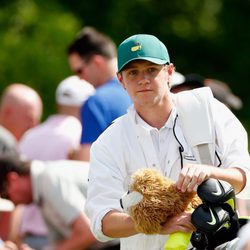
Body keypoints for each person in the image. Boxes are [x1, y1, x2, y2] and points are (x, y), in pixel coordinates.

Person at [85, 34, 250, 250]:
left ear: (169, 72)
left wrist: (210, 173)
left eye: (152, 70)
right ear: (121, 80)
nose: (143, 79)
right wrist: (156, 224)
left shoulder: (209, 111)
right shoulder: (108, 142)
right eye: (133, 72)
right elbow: (102, 222)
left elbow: (245, 178)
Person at [9, 76, 95, 250]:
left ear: (58, 104)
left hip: (33, 236)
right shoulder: (80, 136)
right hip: (71, 238)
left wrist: (14, 237)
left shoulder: (29, 136)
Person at [67, 26, 131, 161]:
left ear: (97, 62)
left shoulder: (96, 102)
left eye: (79, 70)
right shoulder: (144, 92)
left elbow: (86, 165)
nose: (79, 78)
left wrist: (75, 156)